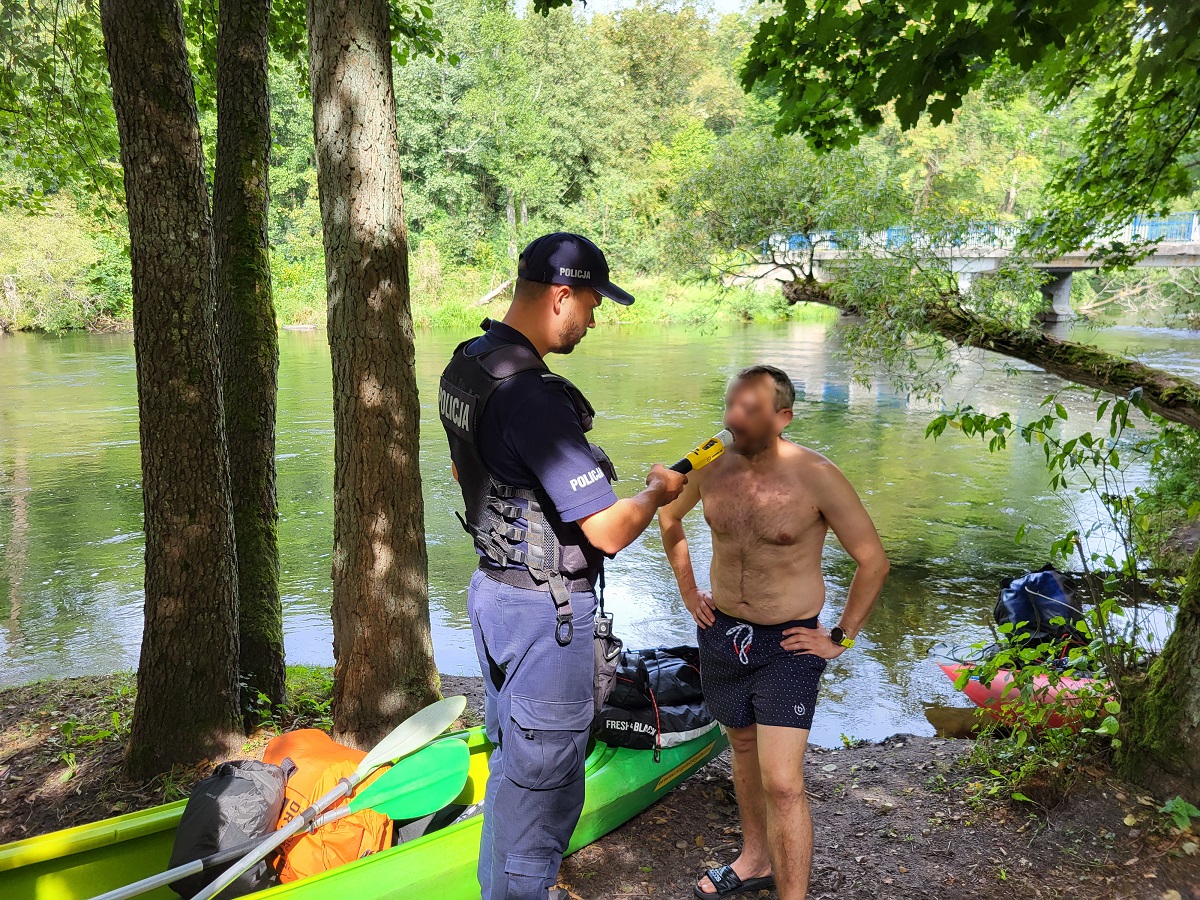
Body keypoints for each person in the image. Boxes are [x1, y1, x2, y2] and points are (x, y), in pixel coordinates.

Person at [438, 232, 688, 900]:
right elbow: (605, 531)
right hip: (543, 616)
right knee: (542, 801)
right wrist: (657, 494)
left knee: (515, 778)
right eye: (592, 302)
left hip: (494, 591)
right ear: (560, 295)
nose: (595, 318)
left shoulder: (470, 363)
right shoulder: (535, 400)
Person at [658, 364, 890, 900]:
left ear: (782, 416)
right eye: (731, 404)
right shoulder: (709, 464)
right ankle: (755, 858)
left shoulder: (816, 475)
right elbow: (668, 519)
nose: (733, 417)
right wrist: (690, 592)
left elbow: (872, 561)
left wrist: (841, 636)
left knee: (784, 783)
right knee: (741, 747)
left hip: (789, 643)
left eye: (750, 408)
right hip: (723, 634)